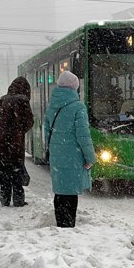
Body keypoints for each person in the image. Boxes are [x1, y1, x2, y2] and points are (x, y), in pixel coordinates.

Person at [44, 71, 95, 228]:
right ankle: (68, 226)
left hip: (57, 156)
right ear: (74, 87)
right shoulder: (77, 107)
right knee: (71, 194)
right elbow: (83, 136)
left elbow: (47, 131)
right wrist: (90, 157)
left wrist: (54, 150)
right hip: (73, 156)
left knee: (60, 192)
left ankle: (61, 223)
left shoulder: (52, 105)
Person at [0, 76, 34, 207]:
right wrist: (19, 131)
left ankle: (4, 198)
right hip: (15, 143)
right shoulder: (23, 100)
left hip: (1, 142)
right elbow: (29, 121)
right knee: (16, 171)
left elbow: (0, 121)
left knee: (4, 171)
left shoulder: (3, 99)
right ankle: (18, 199)